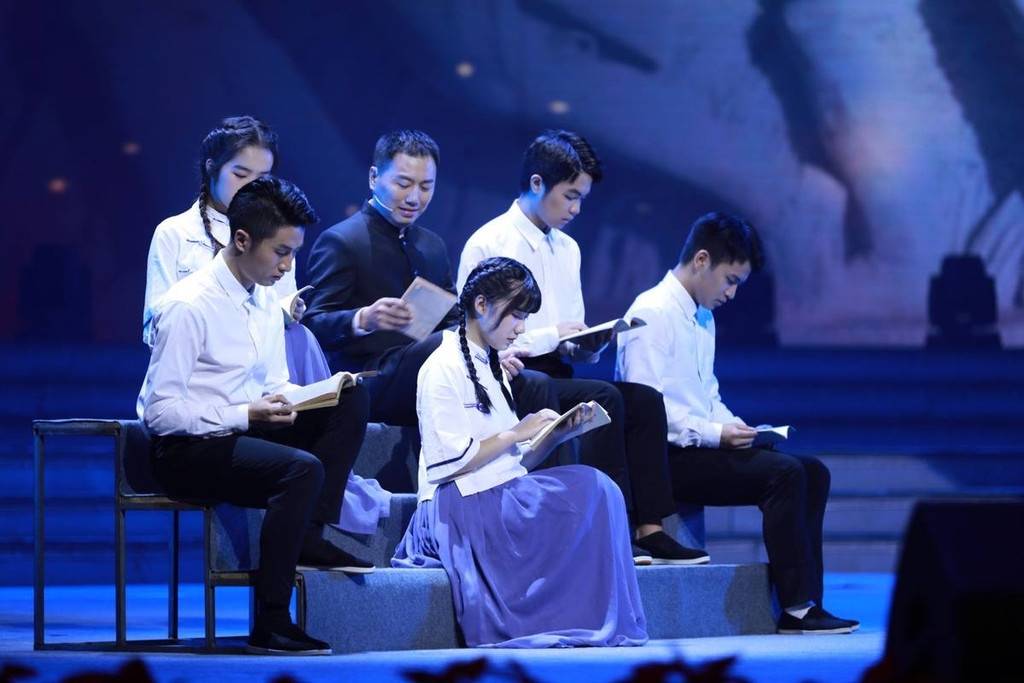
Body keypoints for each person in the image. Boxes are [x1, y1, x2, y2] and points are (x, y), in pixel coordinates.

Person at [139, 176, 374, 655]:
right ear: (242, 240)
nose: (287, 266)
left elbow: (274, 384)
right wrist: (245, 414)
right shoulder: (188, 305)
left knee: (351, 399)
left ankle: (307, 532)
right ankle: (271, 621)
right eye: (281, 253)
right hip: (185, 451)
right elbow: (160, 413)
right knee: (300, 470)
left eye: (293, 253)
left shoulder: (264, 298)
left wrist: (317, 394)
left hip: (245, 429)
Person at [457, 130, 707, 565]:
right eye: (570, 196)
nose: (576, 209)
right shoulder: (490, 242)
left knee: (645, 401)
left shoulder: (568, 248)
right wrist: (553, 336)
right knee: (604, 397)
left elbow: (569, 333)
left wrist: (589, 343)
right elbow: (477, 333)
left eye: (582, 199)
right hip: (508, 373)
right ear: (538, 183)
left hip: (556, 368)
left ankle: (650, 528)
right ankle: (609, 529)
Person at [143, 115, 390, 534]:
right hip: (199, 385)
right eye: (241, 174)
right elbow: (156, 325)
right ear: (212, 168)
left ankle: (312, 527)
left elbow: (278, 299)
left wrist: (285, 311)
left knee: (346, 396)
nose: (250, 185)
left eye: (262, 177)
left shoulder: (276, 236)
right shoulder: (176, 238)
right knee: (294, 459)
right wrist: (216, 319)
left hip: (260, 368)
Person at [616, 211, 860, 634]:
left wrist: (741, 429)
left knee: (813, 471)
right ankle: (796, 608)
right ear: (702, 260)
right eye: (730, 280)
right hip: (664, 460)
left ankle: (809, 601)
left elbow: (707, 397)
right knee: (784, 474)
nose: (732, 293)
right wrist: (716, 434)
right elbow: (645, 413)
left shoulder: (702, 318)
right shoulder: (651, 313)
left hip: (698, 447)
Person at [392, 256, 648, 647]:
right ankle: (574, 615)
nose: (521, 328)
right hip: (462, 504)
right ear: (481, 305)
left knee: (599, 488)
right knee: (594, 490)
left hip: (496, 492)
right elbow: (449, 463)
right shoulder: (442, 366)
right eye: (516, 315)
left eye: (525, 317)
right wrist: (515, 432)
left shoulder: (490, 364)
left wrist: (557, 435)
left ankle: (590, 614)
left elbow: (512, 462)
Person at [304, 129, 556, 429]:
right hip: (370, 379)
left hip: (437, 366)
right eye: (403, 184)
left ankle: (544, 461)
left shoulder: (431, 245)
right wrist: (362, 319)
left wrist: (491, 353)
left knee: (536, 384)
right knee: (444, 342)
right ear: (373, 178)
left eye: (426, 186)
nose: (414, 198)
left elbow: (454, 319)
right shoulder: (342, 240)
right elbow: (312, 326)